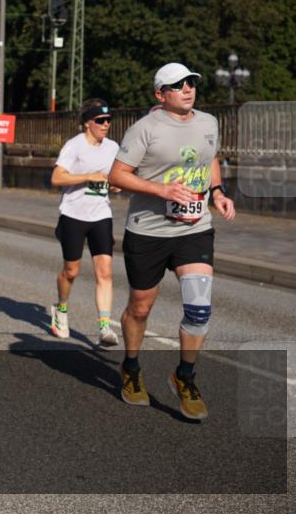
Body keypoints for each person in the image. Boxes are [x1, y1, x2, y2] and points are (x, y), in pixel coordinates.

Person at [109, 63, 236, 420]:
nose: (187, 88)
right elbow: (116, 176)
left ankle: (185, 376)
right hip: (148, 231)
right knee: (141, 308)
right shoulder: (144, 129)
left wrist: (218, 191)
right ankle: (131, 368)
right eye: (178, 84)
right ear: (160, 94)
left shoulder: (209, 122)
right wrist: (160, 189)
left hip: (194, 228)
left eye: (191, 82)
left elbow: (210, 160)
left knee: (199, 308)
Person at [50, 98, 119, 347]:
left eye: (109, 120)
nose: (106, 124)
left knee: (105, 271)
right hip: (73, 215)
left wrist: (116, 184)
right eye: (100, 121)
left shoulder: (112, 148)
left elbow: (116, 178)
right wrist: (88, 176)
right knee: (72, 271)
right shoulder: (74, 146)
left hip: (101, 214)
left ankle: (104, 327)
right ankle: (61, 310)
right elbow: (57, 177)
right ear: (87, 123)